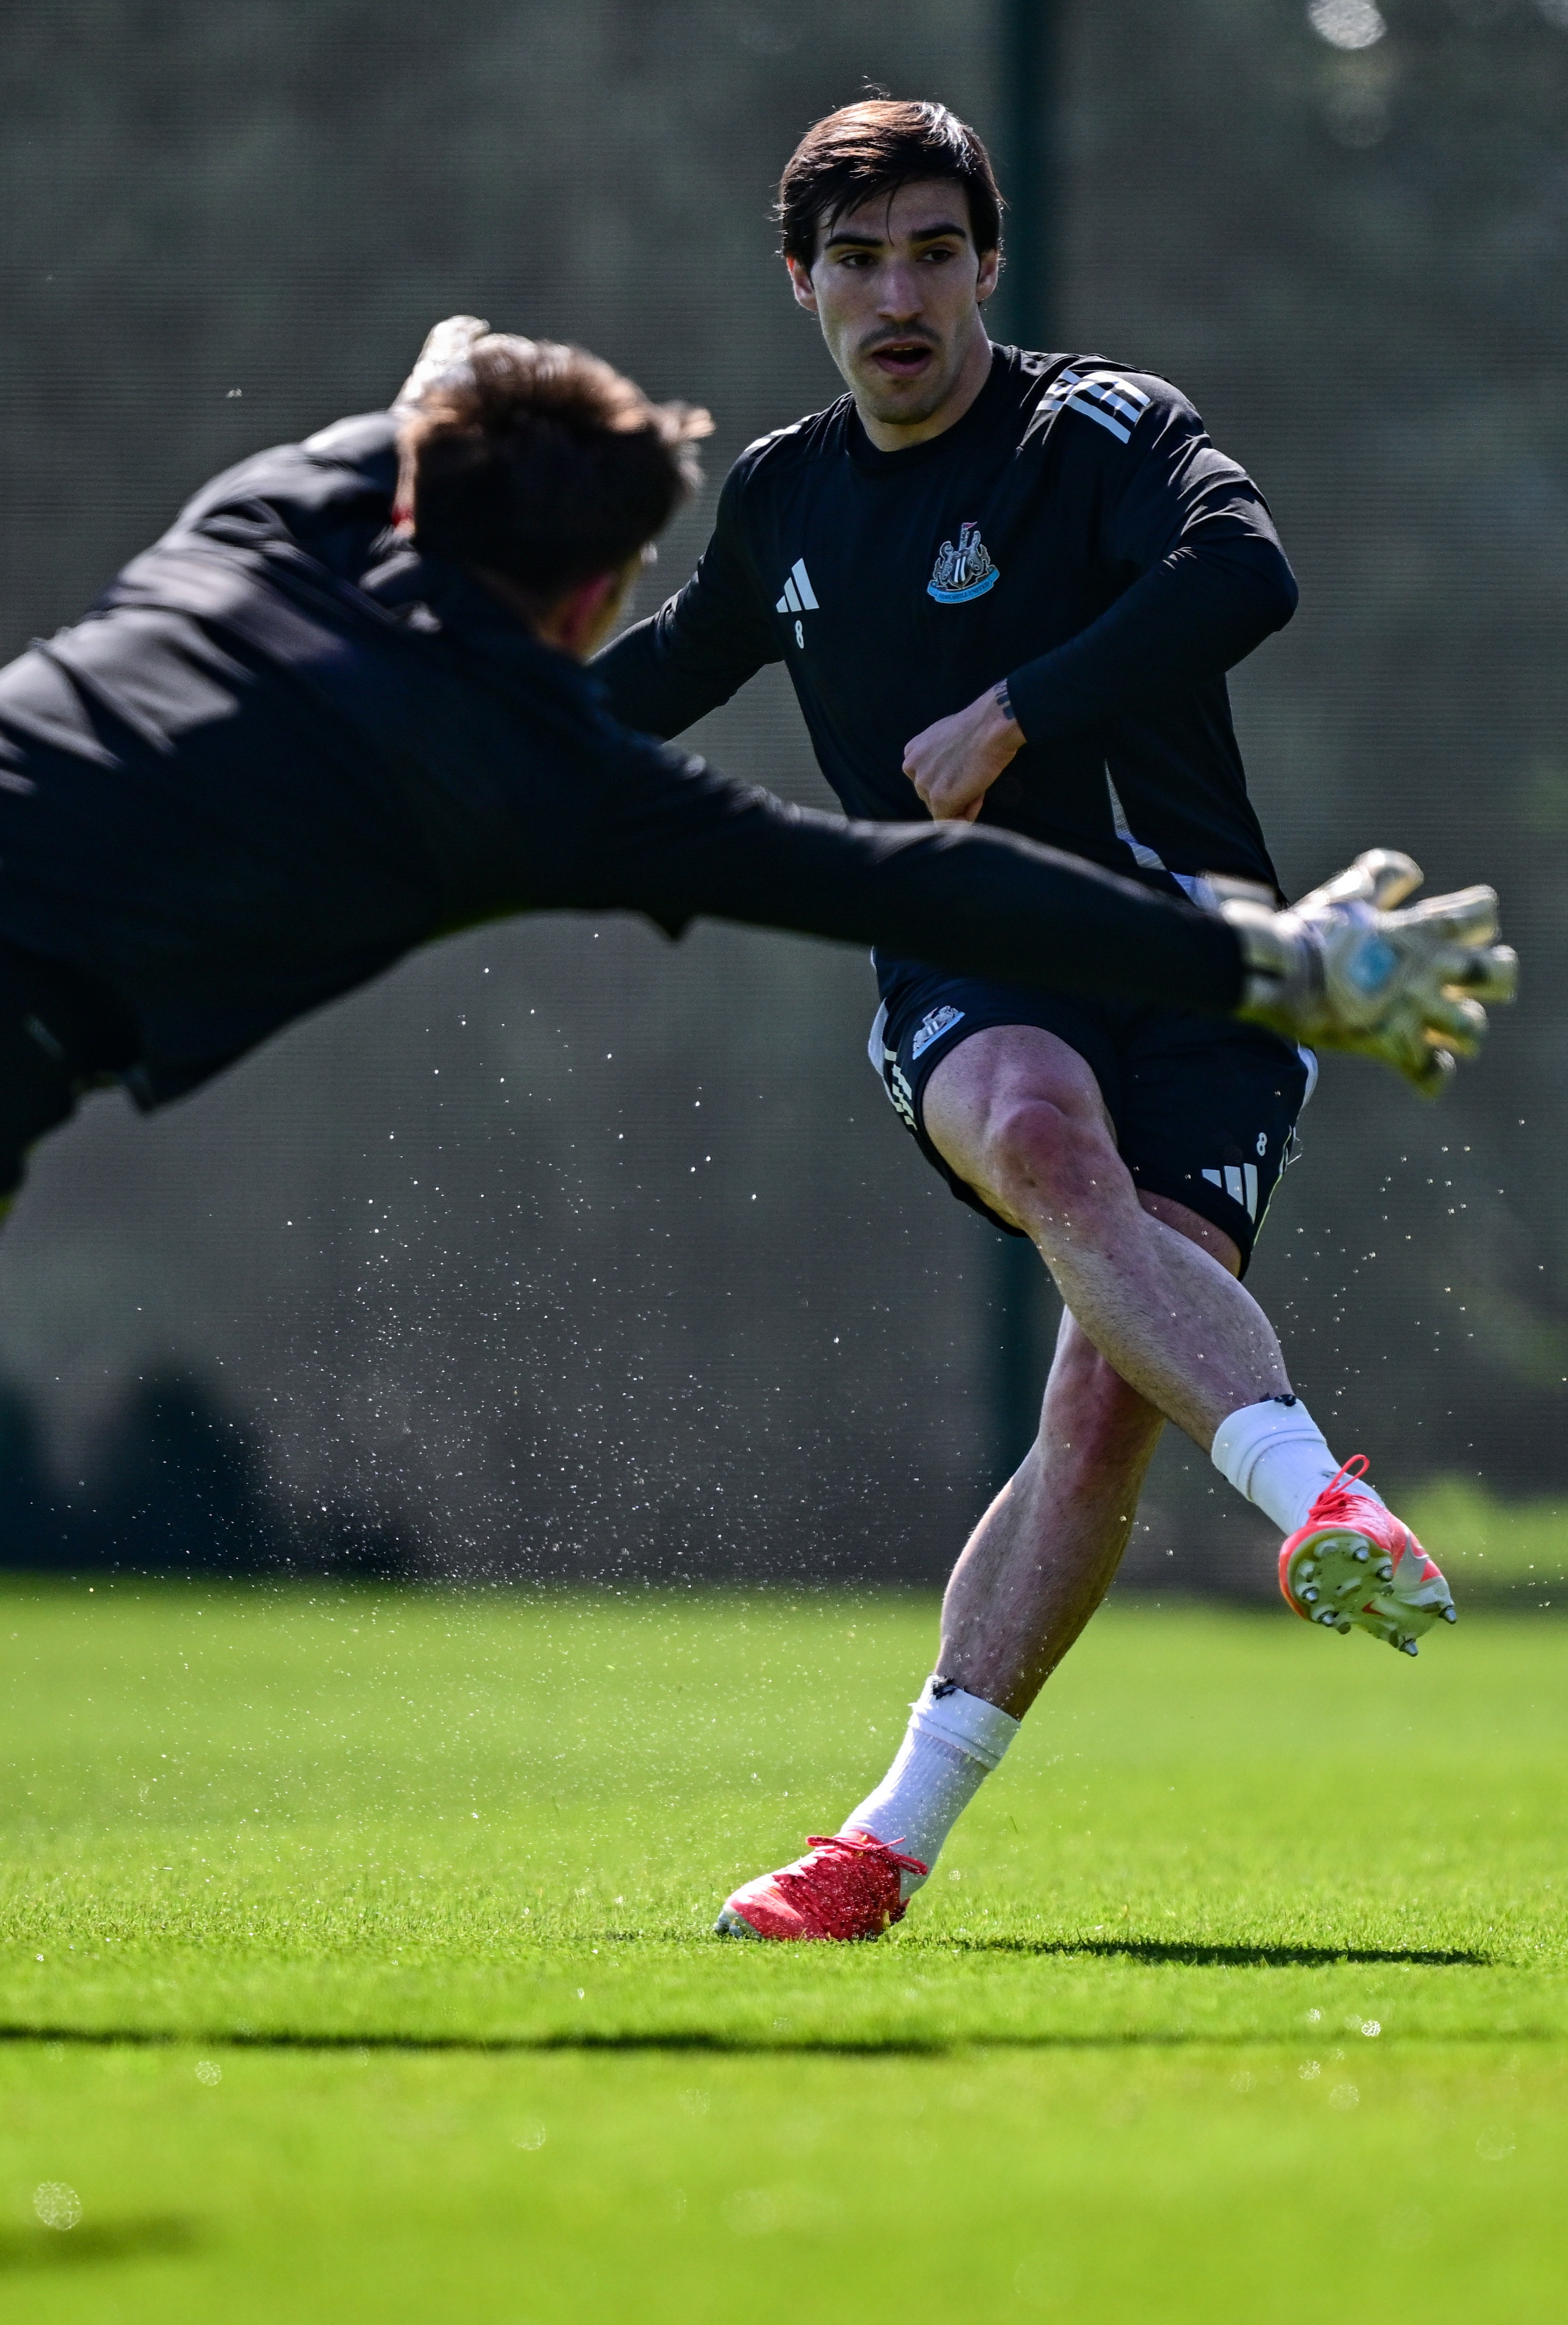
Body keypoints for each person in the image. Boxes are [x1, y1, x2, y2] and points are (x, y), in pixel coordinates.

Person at [0, 336, 1505, 1814]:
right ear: (584, 597)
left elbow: (434, 386)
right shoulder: (529, 771)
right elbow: (937, 893)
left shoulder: (276, 512)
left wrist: (486, 391)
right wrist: (1259, 959)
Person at [591, 100, 1512, 1945]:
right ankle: (1314, 1494)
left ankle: (879, 1846)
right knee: (1031, 1130)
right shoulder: (782, 497)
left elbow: (1247, 574)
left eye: (932, 251)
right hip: (967, 969)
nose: (896, 294)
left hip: (1197, 967)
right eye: (855, 262)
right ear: (800, 284)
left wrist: (1018, 702)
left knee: (1100, 1405)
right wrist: (438, 759)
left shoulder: (1100, 431)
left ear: (986, 266)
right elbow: (656, 680)